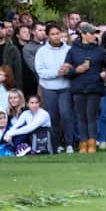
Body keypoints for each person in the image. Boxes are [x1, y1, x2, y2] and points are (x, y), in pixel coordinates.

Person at [64, 23, 106, 154]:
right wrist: (77, 70)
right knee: (81, 117)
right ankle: (83, 143)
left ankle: (92, 143)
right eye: (92, 33)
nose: (94, 36)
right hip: (78, 87)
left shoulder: (99, 50)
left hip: (94, 87)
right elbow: (66, 72)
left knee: (91, 116)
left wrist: (105, 73)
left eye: (95, 33)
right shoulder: (72, 51)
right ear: (83, 34)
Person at [35, 23, 75, 152]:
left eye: (58, 33)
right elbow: (40, 71)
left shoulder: (69, 49)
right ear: (48, 36)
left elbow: (74, 67)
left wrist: (68, 70)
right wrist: (57, 73)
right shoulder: (42, 51)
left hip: (65, 87)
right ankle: (56, 144)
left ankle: (69, 143)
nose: (56, 36)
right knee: (53, 116)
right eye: (53, 34)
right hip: (49, 88)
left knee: (66, 114)